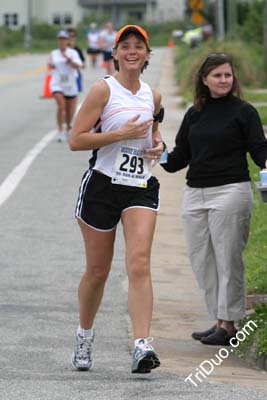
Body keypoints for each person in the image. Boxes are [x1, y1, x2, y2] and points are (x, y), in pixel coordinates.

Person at [69, 24, 165, 373]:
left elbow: (156, 137)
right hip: (102, 186)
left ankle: (142, 344)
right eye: (125, 46)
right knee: (98, 271)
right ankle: (84, 334)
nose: (132, 51)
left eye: (138, 46)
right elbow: (76, 140)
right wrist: (118, 134)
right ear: (115, 54)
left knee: (139, 262)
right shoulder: (102, 91)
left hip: (139, 185)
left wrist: (159, 146)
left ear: (146, 55)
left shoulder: (152, 96)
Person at [160, 52, 267, 346]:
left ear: (233, 79)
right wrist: (158, 152)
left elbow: (259, 150)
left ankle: (228, 324)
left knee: (228, 259)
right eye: (217, 75)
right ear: (204, 80)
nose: (223, 80)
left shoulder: (244, 112)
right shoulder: (195, 113)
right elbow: (180, 156)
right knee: (202, 259)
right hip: (195, 193)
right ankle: (219, 318)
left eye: (227, 75)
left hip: (230, 192)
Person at [48, 30, 83, 142]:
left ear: (67, 40)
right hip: (57, 83)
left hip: (70, 84)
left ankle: (68, 128)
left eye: (64, 39)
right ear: (58, 41)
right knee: (61, 106)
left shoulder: (73, 53)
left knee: (69, 110)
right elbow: (50, 63)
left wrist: (69, 60)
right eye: (60, 39)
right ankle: (60, 130)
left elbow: (79, 65)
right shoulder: (54, 53)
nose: (62, 41)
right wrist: (50, 63)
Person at [67, 27, 86, 93]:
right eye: (69, 36)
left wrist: (76, 63)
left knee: (75, 95)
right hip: (65, 75)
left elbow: (83, 65)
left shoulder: (77, 50)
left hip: (76, 74)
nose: (71, 38)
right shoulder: (63, 50)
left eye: (72, 36)